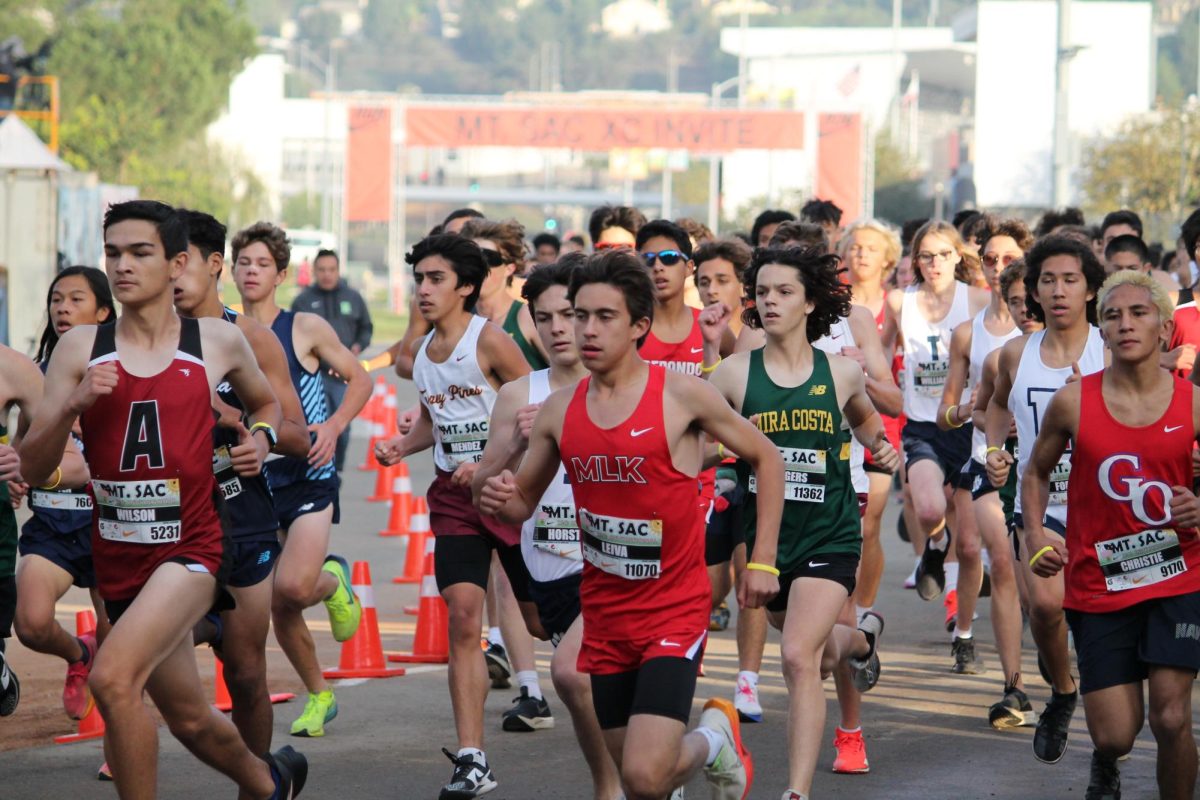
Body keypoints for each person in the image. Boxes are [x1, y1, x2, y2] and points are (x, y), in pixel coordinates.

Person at [20, 200, 306, 798]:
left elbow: (268, 405)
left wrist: (261, 438)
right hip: (118, 556)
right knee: (191, 717)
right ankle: (269, 782)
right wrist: (71, 407)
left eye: (140, 252)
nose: (123, 265)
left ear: (177, 263)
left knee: (115, 679)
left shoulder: (218, 341)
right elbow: (34, 467)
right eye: (114, 253)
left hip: (193, 549)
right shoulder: (79, 351)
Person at [477, 248, 785, 800]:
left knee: (644, 775)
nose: (584, 330)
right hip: (604, 614)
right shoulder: (558, 411)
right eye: (578, 315)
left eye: (605, 317)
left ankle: (715, 740)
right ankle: (702, 748)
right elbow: (522, 502)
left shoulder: (680, 393)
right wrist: (502, 496)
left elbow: (767, 456)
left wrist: (761, 560)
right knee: (639, 780)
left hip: (674, 607)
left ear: (639, 325)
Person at [710, 245, 898, 800]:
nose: (769, 300)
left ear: (810, 301)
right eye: (762, 291)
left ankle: (795, 792)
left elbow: (870, 429)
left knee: (796, 657)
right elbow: (696, 443)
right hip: (768, 540)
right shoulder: (733, 375)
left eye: (784, 291)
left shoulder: (840, 372)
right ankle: (862, 641)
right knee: (817, 647)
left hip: (830, 533)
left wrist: (884, 453)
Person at [1022, 269, 1200, 800]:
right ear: (1101, 332)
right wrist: (1035, 535)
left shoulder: (1192, 402)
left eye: (1139, 313)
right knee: (1116, 735)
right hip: (1100, 584)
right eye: (1113, 316)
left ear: (1165, 329)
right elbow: (1036, 472)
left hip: (1180, 575)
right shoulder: (1074, 402)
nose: (1125, 324)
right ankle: (1108, 760)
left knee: (1170, 717)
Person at [374, 233, 535, 799]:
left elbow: (534, 417)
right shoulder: (420, 355)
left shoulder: (489, 341)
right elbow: (433, 420)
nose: (423, 289)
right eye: (419, 278)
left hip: (515, 494)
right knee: (464, 617)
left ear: (466, 286)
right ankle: (473, 758)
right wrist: (403, 446)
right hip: (454, 499)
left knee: (544, 624)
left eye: (435, 279)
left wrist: (495, 465)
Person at [471, 256, 623, 799]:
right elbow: (482, 493)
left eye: (570, 314)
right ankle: (649, 772)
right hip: (550, 572)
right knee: (592, 687)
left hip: (616, 565)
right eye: (544, 317)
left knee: (574, 674)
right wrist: (515, 445)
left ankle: (615, 786)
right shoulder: (519, 395)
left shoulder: (625, 386)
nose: (558, 328)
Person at [175, 209, 310, 765]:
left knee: (247, 672)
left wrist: (260, 436)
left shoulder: (248, 335)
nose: (170, 272)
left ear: (212, 266)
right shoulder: (133, 338)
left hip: (242, 517)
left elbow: (298, 435)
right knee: (144, 667)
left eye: (181, 261)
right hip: (167, 522)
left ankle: (259, 784)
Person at [232, 221, 371, 739]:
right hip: (258, 481)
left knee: (292, 586)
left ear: (281, 274)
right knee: (278, 603)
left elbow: (362, 378)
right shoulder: (226, 333)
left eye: (262, 264)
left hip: (310, 471)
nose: (251, 271)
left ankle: (332, 579)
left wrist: (334, 426)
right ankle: (319, 695)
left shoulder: (304, 328)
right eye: (244, 262)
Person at [984, 234, 1108, 766]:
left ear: (1090, 289)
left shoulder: (1113, 348)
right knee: (1044, 605)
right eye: (1048, 281)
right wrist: (994, 448)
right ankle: (1062, 691)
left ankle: (1110, 740)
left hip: (1109, 510)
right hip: (1040, 504)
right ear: (1033, 289)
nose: (1058, 291)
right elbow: (993, 405)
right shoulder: (1016, 352)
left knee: (1105, 628)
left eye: (1070, 280)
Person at [10, 268, 112, 723]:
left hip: (111, 525)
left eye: (75, 299)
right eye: (56, 299)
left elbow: (85, 466)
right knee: (30, 624)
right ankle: (78, 654)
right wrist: (15, 471)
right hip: (52, 526)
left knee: (119, 652)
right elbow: (22, 444)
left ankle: (118, 740)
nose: (62, 307)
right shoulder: (37, 373)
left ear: (104, 312)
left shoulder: (122, 371)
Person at [458, 217, 553, 704]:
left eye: (490, 260)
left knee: (528, 582)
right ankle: (530, 688)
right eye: (473, 260)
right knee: (500, 573)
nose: (481, 268)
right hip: (492, 461)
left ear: (509, 267)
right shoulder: (467, 328)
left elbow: (564, 369)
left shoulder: (529, 319)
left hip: (544, 462)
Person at [935, 220, 1030, 688]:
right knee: (974, 549)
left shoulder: (1046, 328)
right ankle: (967, 634)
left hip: (1039, 462)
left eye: (1008, 260)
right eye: (990, 259)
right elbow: (944, 411)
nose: (997, 268)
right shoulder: (968, 333)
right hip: (981, 457)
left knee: (1019, 563)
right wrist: (973, 411)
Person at [881, 221, 989, 632]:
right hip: (923, 424)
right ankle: (934, 545)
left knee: (970, 541)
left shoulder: (977, 300)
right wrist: (878, 382)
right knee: (928, 507)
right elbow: (881, 350)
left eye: (944, 254)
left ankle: (962, 626)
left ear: (958, 256)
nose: (935, 263)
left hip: (968, 424)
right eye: (926, 255)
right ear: (915, 260)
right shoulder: (898, 301)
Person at [290, 248, 373, 474]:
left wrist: (358, 346)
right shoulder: (303, 301)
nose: (327, 274)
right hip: (313, 376)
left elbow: (366, 328)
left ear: (338, 271)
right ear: (315, 271)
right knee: (312, 426)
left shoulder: (353, 298)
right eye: (322, 270)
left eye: (331, 270)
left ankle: (336, 471)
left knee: (341, 429)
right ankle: (315, 471)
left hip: (342, 377)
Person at [1103, 234, 1180, 293]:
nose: (1125, 275)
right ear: (1106, 268)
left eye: (1132, 268)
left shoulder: (1165, 296)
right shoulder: (1096, 298)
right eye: (1118, 269)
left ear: (1145, 269)